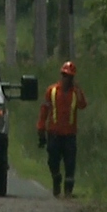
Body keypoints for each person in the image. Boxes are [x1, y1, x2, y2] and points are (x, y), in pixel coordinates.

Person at [36, 61, 88, 198]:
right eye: (65, 75)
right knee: (52, 161)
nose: (67, 79)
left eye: (70, 76)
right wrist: (41, 128)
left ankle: (68, 192)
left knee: (70, 163)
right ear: (61, 75)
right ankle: (56, 179)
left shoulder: (75, 93)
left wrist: (79, 90)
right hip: (54, 133)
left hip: (70, 135)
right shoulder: (52, 91)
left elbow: (83, 105)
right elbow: (44, 111)